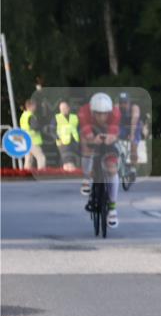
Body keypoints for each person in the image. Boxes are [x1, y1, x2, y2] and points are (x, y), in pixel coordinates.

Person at [79, 92, 122, 228]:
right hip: (91, 133)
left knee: (112, 168)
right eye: (98, 114)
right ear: (92, 111)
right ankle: (87, 178)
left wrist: (110, 138)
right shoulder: (84, 112)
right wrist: (92, 140)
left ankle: (113, 208)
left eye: (104, 114)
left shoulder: (115, 113)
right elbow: (87, 132)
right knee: (86, 145)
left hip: (107, 134)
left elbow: (113, 133)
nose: (102, 117)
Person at [18, 98, 46, 170]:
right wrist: (42, 128)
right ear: (31, 106)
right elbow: (35, 127)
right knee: (41, 157)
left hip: (25, 140)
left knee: (28, 160)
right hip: (33, 141)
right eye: (34, 106)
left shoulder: (23, 115)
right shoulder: (31, 116)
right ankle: (42, 173)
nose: (35, 107)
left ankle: (25, 175)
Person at [52, 100, 80, 171]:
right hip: (62, 142)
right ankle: (70, 174)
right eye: (62, 108)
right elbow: (52, 130)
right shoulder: (56, 117)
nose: (63, 110)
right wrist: (57, 138)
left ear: (68, 108)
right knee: (67, 160)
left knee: (72, 159)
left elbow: (79, 128)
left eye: (65, 108)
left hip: (74, 141)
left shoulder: (74, 117)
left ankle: (68, 173)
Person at [116, 92, 141, 165]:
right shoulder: (116, 108)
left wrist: (132, 135)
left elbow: (134, 121)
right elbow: (114, 122)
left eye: (125, 102)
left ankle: (133, 165)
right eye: (121, 102)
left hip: (134, 127)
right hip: (122, 127)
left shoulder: (135, 108)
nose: (123, 105)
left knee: (133, 146)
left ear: (129, 102)